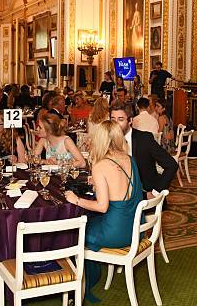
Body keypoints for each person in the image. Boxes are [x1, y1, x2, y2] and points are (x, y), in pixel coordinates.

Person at [64, 120, 143, 303]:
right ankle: (90, 277)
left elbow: (102, 207)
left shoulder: (100, 165)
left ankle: (83, 285)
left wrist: (76, 199)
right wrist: (99, 182)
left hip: (116, 233)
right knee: (89, 221)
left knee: (75, 232)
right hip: (135, 229)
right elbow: (122, 185)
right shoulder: (129, 159)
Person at [110, 102, 177, 194]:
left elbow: (171, 165)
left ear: (130, 121)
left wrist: (156, 192)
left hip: (143, 194)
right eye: (113, 120)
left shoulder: (144, 139)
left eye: (120, 119)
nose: (115, 124)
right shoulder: (108, 139)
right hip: (117, 193)